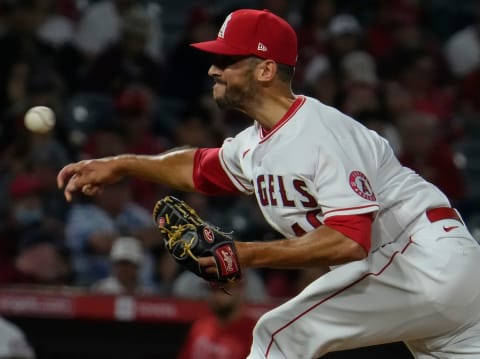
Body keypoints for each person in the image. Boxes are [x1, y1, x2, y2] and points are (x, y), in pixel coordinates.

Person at [57, 9, 480, 359]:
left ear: (264, 69)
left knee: (278, 336)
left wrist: (245, 253)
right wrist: (123, 164)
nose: (212, 68)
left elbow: (350, 241)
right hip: (441, 279)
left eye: (226, 60)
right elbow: (199, 169)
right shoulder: (256, 144)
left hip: (418, 258)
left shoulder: (321, 132)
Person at [176, 281, 257, 359]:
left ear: (240, 290)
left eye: (223, 289)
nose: (216, 295)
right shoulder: (199, 327)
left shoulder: (254, 333)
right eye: (212, 289)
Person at [91, 236, 156, 295]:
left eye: (127, 263)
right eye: (119, 263)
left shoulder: (147, 292)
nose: (123, 268)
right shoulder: (102, 290)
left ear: (137, 266)